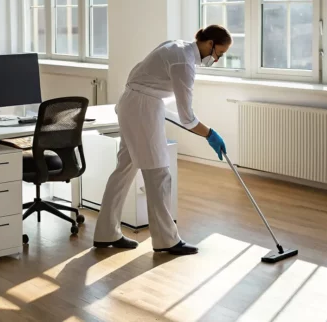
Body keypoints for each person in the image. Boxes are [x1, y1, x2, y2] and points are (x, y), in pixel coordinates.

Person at [93, 25, 231, 255]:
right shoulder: (184, 63)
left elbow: (146, 81)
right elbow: (188, 118)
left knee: (124, 169)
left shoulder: (176, 45)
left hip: (133, 103)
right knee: (158, 173)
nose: (216, 60)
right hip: (142, 109)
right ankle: (166, 240)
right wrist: (209, 134)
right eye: (219, 54)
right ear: (209, 43)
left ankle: (106, 233)